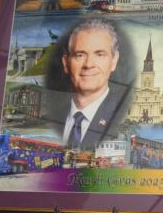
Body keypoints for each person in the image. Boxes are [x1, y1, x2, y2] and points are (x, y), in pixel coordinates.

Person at [54, 18, 131, 150]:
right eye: (80, 55)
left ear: (114, 61)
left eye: (100, 54)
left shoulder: (123, 118)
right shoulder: (53, 117)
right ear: (66, 63)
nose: (88, 64)